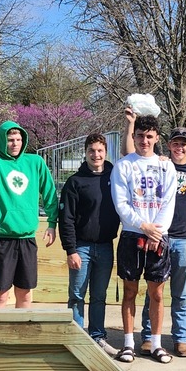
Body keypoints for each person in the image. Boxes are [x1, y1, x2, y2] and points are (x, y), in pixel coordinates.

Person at [122, 110, 186, 358]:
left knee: (179, 292)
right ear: (168, 144)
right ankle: (148, 338)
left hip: (181, 237)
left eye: (184, 144)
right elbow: (131, 153)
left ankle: (180, 339)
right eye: (175, 143)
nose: (179, 148)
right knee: (152, 291)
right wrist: (129, 125)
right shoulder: (160, 163)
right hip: (153, 235)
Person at [0, 120, 58, 308]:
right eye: (10, 139)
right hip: (2, 239)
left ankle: (22, 336)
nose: (15, 143)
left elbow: (50, 194)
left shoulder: (35, 162)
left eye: (18, 139)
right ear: (2, 141)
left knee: (24, 294)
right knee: (1, 295)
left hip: (27, 238)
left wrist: (52, 223)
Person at [110, 114, 177, 364]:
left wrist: (155, 232)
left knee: (157, 294)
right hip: (132, 235)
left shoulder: (166, 166)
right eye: (140, 136)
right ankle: (128, 344)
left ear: (157, 138)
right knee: (130, 291)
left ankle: (156, 343)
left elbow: (169, 202)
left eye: (149, 136)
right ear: (134, 136)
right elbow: (121, 203)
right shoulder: (124, 165)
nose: (144, 141)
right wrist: (143, 226)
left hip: (158, 236)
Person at [58, 133, 120, 355]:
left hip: (105, 246)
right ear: (85, 153)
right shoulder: (75, 182)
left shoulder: (115, 176)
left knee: (99, 296)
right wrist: (71, 250)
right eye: (92, 151)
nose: (96, 155)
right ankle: (75, 338)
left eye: (100, 150)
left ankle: (97, 336)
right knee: (76, 295)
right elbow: (66, 219)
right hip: (81, 248)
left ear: (106, 152)